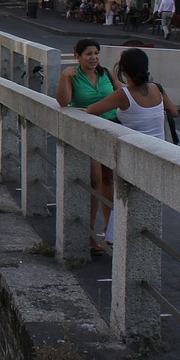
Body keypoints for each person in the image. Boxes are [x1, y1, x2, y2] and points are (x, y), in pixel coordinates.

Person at [85, 48, 179, 246]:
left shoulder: (123, 94)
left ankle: (114, 237)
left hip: (133, 155)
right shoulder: (157, 89)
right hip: (158, 154)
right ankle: (137, 239)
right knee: (145, 201)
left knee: (125, 198)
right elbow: (174, 112)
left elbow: (93, 110)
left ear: (123, 70)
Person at [55, 38, 120, 255]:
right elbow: (63, 102)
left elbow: (122, 96)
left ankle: (109, 232)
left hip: (111, 129)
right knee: (95, 180)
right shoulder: (73, 76)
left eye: (96, 53)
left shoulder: (107, 73)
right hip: (89, 133)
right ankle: (90, 233)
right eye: (89, 54)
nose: (94, 58)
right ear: (78, 55)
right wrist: (64, 77)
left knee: (109, 179)